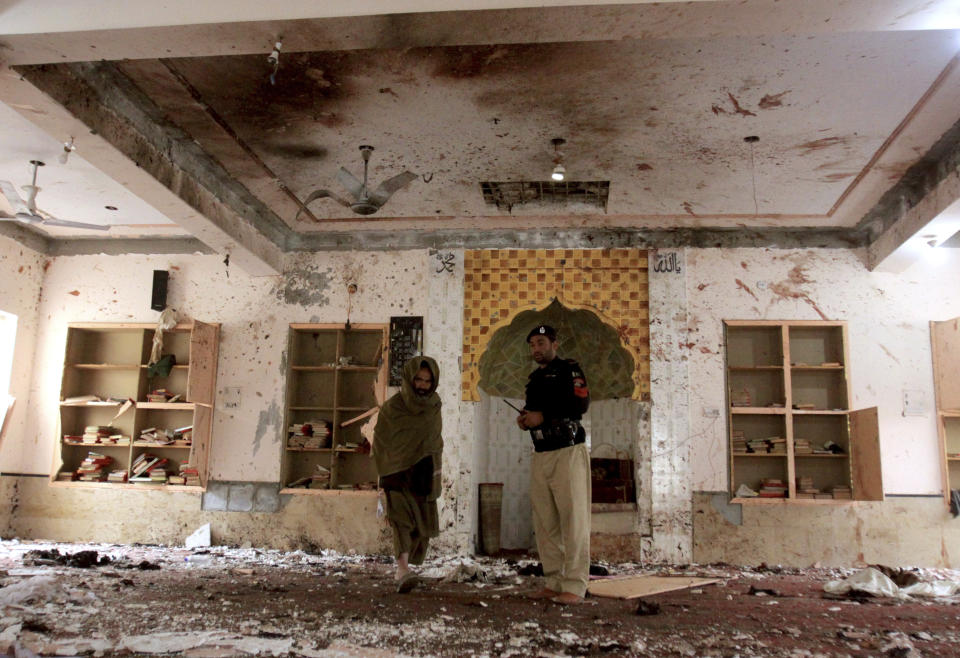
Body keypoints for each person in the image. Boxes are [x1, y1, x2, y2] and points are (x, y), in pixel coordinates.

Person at [516, 325, 591, 605]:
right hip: (541, 451)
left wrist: (542, 416)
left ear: (554, 344)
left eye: (541, 343)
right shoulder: (534, 378)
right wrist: (525, 420)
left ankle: (575, 584)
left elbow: (580, 406)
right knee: (545, 521)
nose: (536, 348)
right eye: (532, 344)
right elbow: (533, 412)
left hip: (568, 451)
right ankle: (554, 581)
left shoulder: (569, 370)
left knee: (573, 520)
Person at [372, 356, 443, 593]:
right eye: (418, 380)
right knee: (401, 521)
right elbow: (382, 440)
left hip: (423, 472)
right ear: (409, 380)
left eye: (427, 381)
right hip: (397, 472)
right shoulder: (394, 408)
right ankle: (401, 568)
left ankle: (407, 566)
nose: (422, 385)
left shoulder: (434, 406)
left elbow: (434, 441)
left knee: (420, 525)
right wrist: (390, 465)